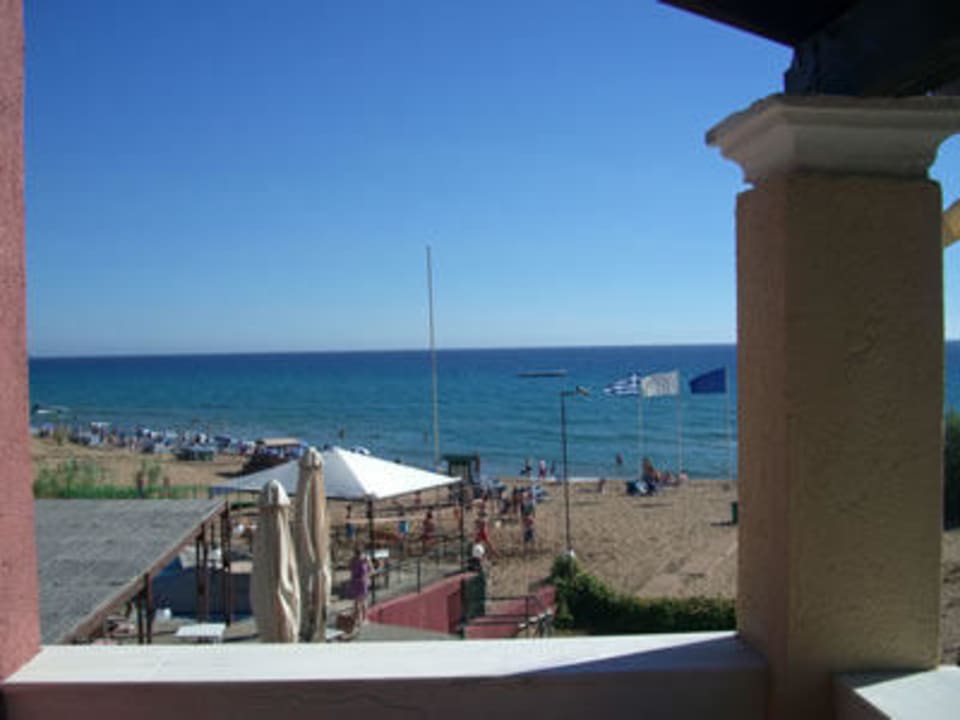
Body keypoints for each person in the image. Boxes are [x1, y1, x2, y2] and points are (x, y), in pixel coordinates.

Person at [349, 546, 372, 625]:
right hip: (362, 582)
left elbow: (350, 569)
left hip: (356, 581)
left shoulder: (353, 560)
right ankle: (362, 619)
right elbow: (371, 570)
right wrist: (367, 577)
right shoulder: (364, 560)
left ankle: (358, 619)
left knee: (357, 601)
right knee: (362, 601)